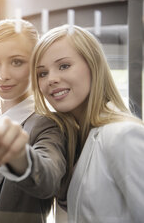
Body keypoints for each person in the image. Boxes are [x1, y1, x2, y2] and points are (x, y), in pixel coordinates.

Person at [31, 24, 144, 222]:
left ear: (93, 65)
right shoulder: (75, 140)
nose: (51, 79)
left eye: (64, 66)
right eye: (42, 73)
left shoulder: (122, 135)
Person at [0, 19, 67, 223]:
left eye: (16, 62)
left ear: (37, 65)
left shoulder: (47, 125)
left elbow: (48, 177)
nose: (3, 75)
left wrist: (19, 158)